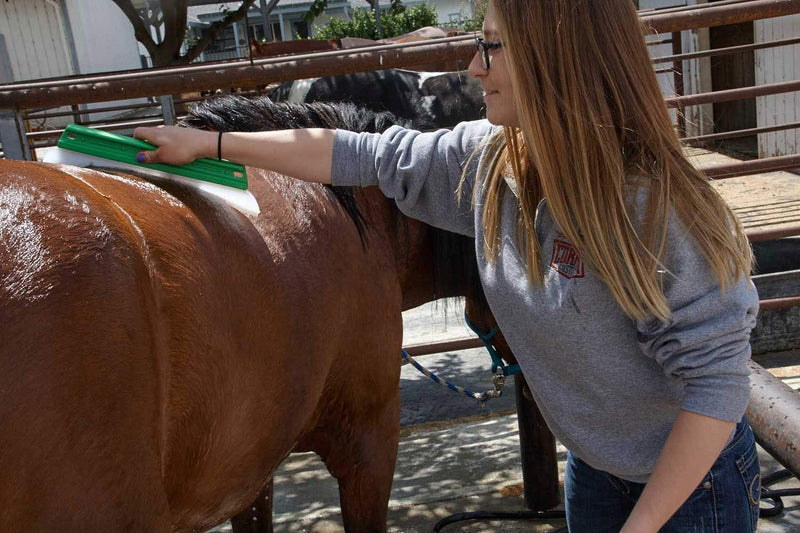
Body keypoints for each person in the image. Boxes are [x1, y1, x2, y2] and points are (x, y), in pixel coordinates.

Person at [133, 1, 761, 531]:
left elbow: (717, 387)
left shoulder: (653, 209)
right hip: (597, 468)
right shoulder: (491, 166)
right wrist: (210, 144)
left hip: (690, 487)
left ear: (555, 60)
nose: (471, 67)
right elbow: (360, 155)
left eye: (490, 48)